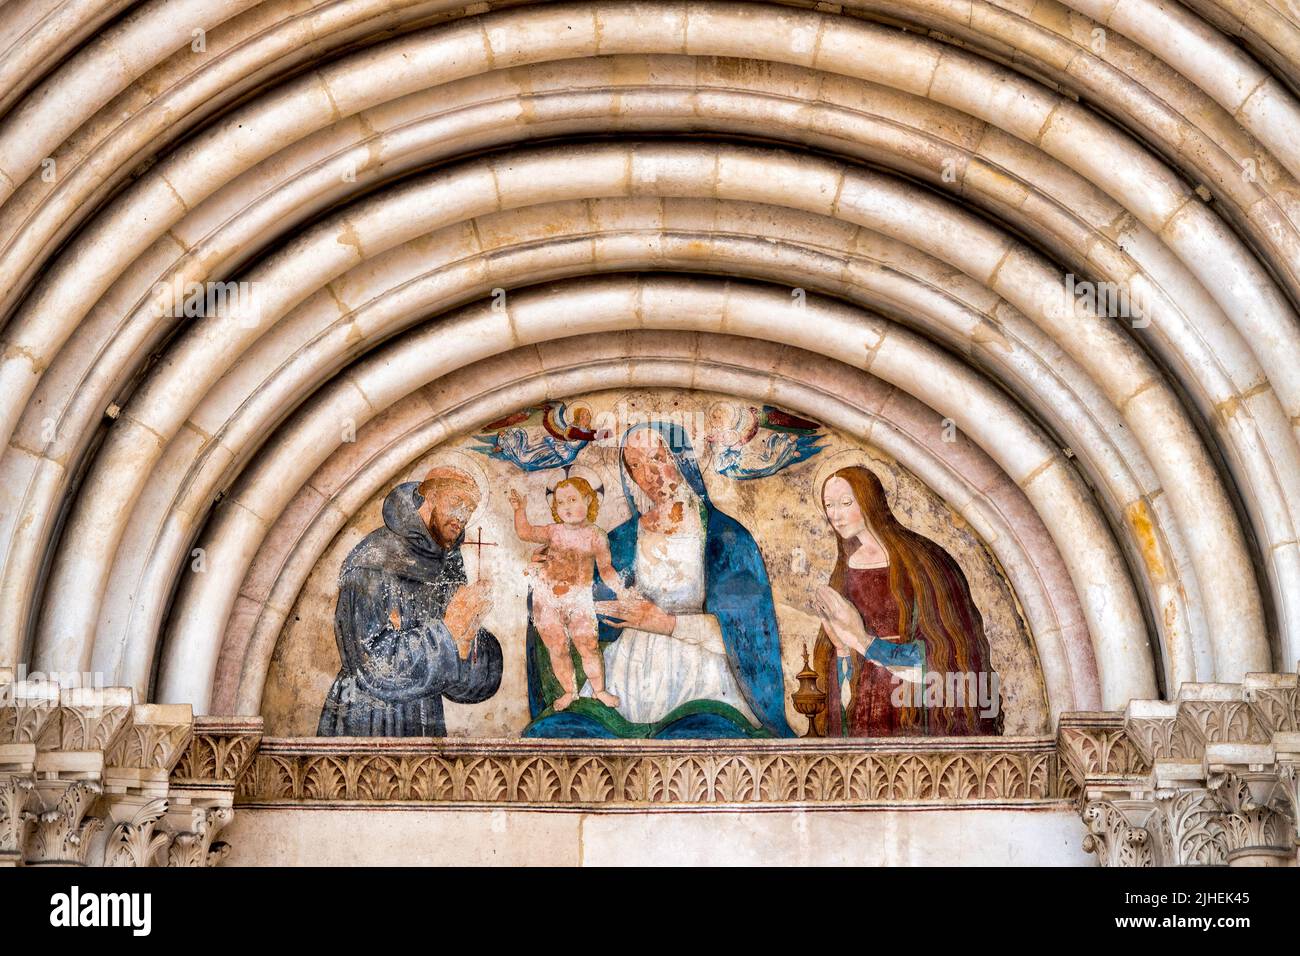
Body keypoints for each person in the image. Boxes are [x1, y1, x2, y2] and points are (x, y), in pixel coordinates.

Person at [523, 421, 794, 739]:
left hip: (701, 678)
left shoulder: (725, 537)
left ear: (681, 460)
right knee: (562, 734)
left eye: (657, 458)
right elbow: (582, 603)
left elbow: (749, 636)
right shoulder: (622, 539)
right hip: (628, 675)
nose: (648, 475)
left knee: (701, 737)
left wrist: (666, 624)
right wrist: (552, 571)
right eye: (635, 465)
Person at [811, 466, 1002, 736]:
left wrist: (864, 642)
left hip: (914, 705)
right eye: (829, 506)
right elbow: (842, 661)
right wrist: (842, 648)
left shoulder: (924, 562)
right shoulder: (844, 571)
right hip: (865, 705)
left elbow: (943, 657)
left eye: (845, 503)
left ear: (870, 500)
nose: (836, 516)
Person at [317, 466, 503, 737]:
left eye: (470, 508)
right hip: (371, 717)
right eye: (457, 502)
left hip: (426, 715)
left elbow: (456, 683)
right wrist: (449, 633)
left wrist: (467, 639)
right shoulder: (374, 558)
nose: (464, 515)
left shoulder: (447, 563)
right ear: (430, 496)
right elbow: (370, 666)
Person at [508, 477, 625, 711]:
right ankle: (570, 692)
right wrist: (520, 510)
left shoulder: (596, 535)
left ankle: (599, 690)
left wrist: (622, 590)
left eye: (573, 499)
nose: (567, 507)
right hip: (547, 599)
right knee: (557, 647)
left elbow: (606, 569)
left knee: (588, 645)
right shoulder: (554, 532)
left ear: (588, 499)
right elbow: (525, 532)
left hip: (579, 599)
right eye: (561, 503)